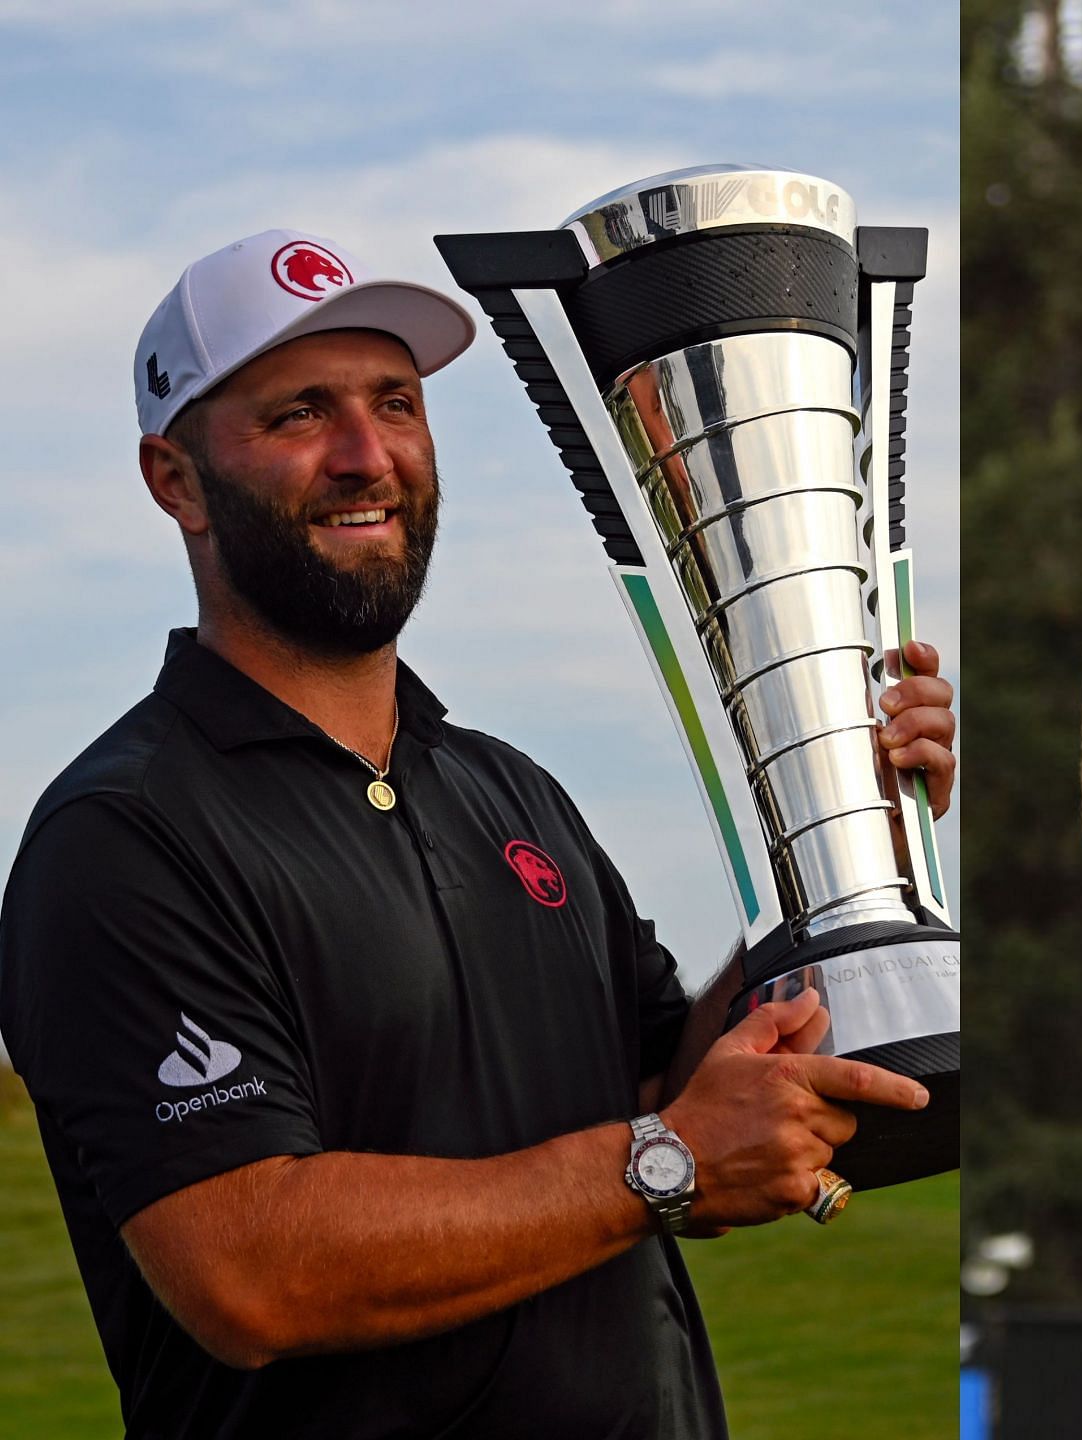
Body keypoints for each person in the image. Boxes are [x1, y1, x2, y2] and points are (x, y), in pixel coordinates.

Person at [0, 229, 957, 1439]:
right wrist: (653, 1164)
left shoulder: (510, 794)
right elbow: (245, 1268)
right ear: (175, 478)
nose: (367, 456)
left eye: (395, 403)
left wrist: (845, 836)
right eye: (300, 414)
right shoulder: (125, 837)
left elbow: (670, 1094)